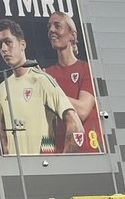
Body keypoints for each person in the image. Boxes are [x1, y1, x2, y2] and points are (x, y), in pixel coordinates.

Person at [0, 19, 84, 155]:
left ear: (22, 44)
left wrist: (63, 162)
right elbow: (1, 125)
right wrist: (7, 153)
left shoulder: (41, 80)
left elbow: (75, 125)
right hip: (16, 171)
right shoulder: (3, 86)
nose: (4, 49)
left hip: (42, 169)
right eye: (0, 44)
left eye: (8, 42)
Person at [44, 12, 103, 153]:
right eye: (49, 27)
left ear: (73, 35)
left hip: (89, 150)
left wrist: (51, 91)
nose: (51, 30)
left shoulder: (87, 69)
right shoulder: (47, 73)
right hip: (61, 151)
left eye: (57, 26)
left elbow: (82, 110)